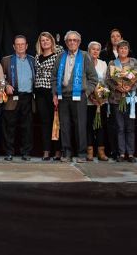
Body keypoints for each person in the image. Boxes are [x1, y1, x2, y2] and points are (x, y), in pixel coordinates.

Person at [51, 31, 98, 162]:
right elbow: (54, 77)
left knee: (80, 126)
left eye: (75, 40)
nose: (72, 42)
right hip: (63, 97)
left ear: (79, 42)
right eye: (69, 40)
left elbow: (93, 78)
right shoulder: (60, 56)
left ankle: (82, 154)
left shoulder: (84, 56)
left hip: (79, 97)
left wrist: (87, 92)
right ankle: (66, 153)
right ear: (66, 43)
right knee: (65, 126)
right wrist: (55, 93)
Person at [1, 35, 35, 161]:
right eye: (17, 44)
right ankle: (9, 152)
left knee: (27, 127)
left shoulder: (32, 60)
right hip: (12, 97)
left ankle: (26, 152)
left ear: (26, 46)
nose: (20, 46)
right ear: (14, 46)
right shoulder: (6, 60)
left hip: (28, 97)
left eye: (22, 44)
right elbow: (0, 78)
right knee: (9, 126)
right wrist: (7, 85)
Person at [106, 40, 137, 162]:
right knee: (119, 127)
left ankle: (130, 154)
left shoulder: (133, 62)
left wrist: (130, 87)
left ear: (128, 50)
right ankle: (121, 153)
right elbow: (108, 79)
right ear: (117, 50)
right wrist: (117, 87)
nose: (123, 50)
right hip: (116, 99)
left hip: (130, 99)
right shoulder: (112, 63)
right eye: (121, 49)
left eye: (125, 48)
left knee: (130, 128)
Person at [34, 32, 62, 161]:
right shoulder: (37, 57)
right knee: (45, 122)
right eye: (42, 40)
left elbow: (59, 76)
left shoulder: (58, 55)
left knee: (55, 122)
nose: (45, 42)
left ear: (52, 41)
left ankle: (57, 150)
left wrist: (56, 93)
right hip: (39, 92)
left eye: (47, 40)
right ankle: (46, 150)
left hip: (52, 92)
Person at [86, 41, 109, 161]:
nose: (95, 51)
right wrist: (91, 96)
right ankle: (90, 152)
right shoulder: (85, 64)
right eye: (93, 49)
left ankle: (101, 152)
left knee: (101, 126)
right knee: (89, 126)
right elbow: (85, 81)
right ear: (89, 51)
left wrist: (102, 95)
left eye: (97, 49)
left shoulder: (103, 64)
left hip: (101, 101)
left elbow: (106, 81)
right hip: (89, 101)